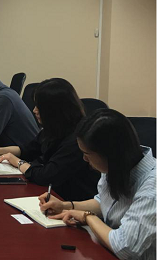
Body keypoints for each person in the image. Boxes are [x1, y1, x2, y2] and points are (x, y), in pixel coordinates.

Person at [39, 109, 156, 260]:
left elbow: (125, 247)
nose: (84, 159)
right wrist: (66, 206)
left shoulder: (152, 189)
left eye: (87, 154)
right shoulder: (116, 167)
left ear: (110, 153)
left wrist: (88, 217)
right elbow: (104, 202)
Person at [0, 78, 99, 200]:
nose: (34, 110)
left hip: (69, 198)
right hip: (51, 193)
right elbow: (28, 150)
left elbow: (46, 176)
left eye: (39, 107)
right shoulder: (55, 127)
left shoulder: (76, 139)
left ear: (55, 110)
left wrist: (19, 163)